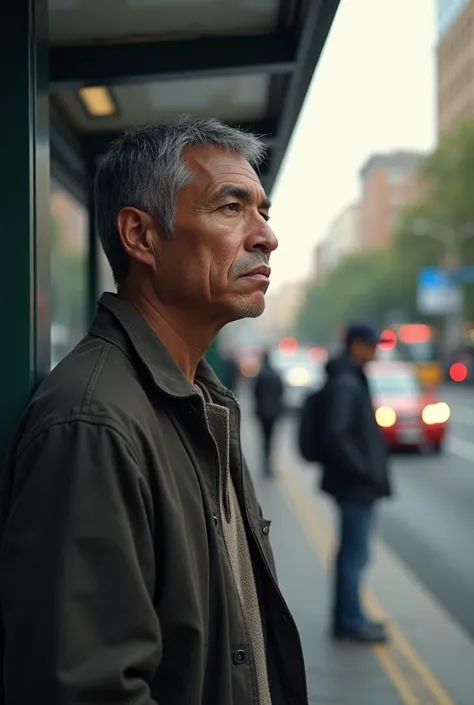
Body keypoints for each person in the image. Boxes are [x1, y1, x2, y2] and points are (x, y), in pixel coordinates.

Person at [0, 118, 309, 705]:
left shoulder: (198, 400)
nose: (266, 236)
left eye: (263, 212)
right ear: (141, 236)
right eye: (230, 208)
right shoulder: (94, 423)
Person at [321, 322, 392, 643]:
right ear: (356, 345)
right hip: (354, 486)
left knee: (351, 553)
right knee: (354, 555)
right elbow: (338, 437)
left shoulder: (347, 377)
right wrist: (363, 470)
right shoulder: (347, 382)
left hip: (351, 483)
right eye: (372, 345)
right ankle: (350, 621)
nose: (376, 351)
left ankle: (349, 616)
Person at [253, 351, 284, 475]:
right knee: (271, 439)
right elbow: (281, 392)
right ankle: (268, 464)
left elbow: (255, 393)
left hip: (262, 412)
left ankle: (265, 463)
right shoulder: (276, 374)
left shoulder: (261, 375)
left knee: (264, 439)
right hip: (274, 413)